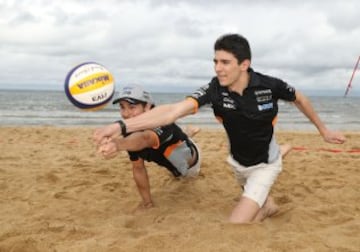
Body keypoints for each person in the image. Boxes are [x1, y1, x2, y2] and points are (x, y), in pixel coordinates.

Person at [94, 34, 345, 223]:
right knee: (249, 186)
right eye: (215, 61)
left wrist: (324, 131)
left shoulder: (270, 86)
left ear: (244, 64)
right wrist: (121, 125)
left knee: (236, 225)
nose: (218, 68)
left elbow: (300, 98)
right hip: (237, 162)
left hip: (264, 165)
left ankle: (274, 169)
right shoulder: (214, 90)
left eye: (225, 62)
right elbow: (171, 111)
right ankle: (267, 198)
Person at [98, 84, 201, 211]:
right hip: (170, 149)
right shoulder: (129, 134)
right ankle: (186, 132)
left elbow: (145, 139)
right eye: (122, 107)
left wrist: (118, 144)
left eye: (132, 107)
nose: (126, 113)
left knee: (184, 175)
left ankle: (189, 134)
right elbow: (138, 167)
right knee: (171, 144)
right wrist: (147, 202)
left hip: (191, 163)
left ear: (147, 107)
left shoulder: (163, 122)